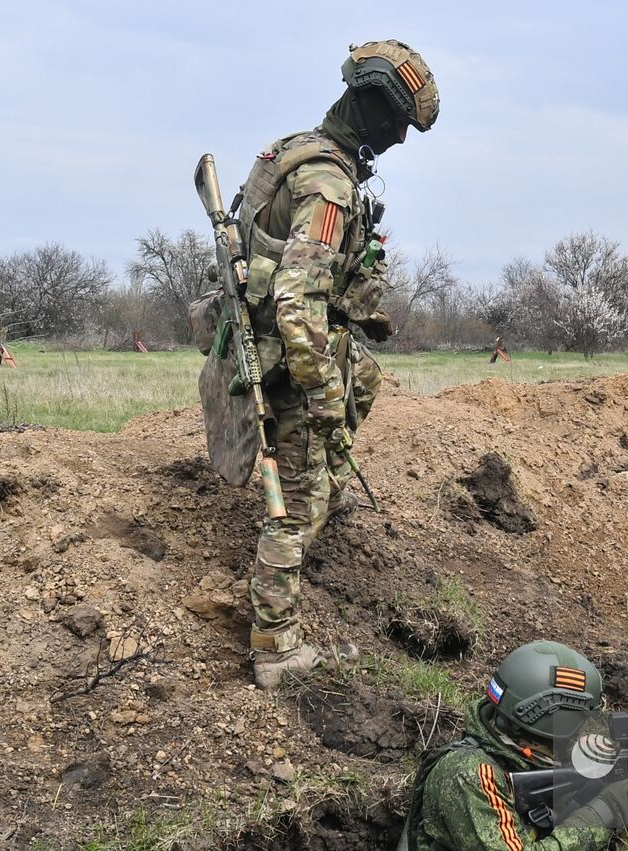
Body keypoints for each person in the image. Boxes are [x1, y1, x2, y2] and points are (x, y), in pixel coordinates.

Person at [242, 40, 439, 688]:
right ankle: (275, 646)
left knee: (369, 379)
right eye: (400, 127)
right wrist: (325, 400)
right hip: (288, 360)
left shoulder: (292, 151)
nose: (401, 143)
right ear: (378, 113)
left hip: (278, 342)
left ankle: (323, 486)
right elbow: (297, 304)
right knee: (295, 505)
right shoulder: (328, 185)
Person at [377, 642, 628, 851]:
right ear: (551, 719)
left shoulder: (519, 756)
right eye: (581, 720)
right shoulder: (468, 775)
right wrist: (605, 810)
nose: (585, 730)